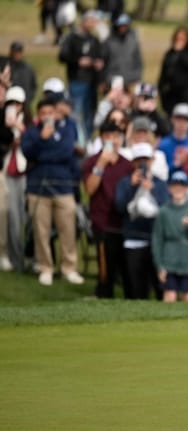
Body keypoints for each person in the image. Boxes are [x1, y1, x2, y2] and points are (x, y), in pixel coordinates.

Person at [22, 97, 84, 286]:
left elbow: (65, 151)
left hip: (63, 187)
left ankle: (69, 268)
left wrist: (42, 155)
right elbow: (27, 152)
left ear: (56, 114)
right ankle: (45, 267)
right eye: (44, 113)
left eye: (51, 113)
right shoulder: (32, 133)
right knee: (41, 231)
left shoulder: (66, 130)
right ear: (38, 115)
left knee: (68, 230)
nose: (48, 117)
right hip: (38, 188)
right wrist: (43, 139)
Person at [81, 121, 133, 298]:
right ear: (102, 138)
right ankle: (103, 294)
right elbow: (90, 189)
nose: (113, 140)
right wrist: (101, 164)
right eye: (108, 136)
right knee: (105, 268)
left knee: (125, 266)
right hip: (102, 222)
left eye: (116, 136)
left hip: (123, 222)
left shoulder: (127, 165)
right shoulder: (91, 162)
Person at [115, 142, 169, 299]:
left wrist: (152, 189)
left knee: (160, 287)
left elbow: (166, 209)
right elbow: (120, 207)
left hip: (156, 241)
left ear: (152, 160)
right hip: (133, 240)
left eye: (146, 160)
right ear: (133, 162)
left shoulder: (159, 183)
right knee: (136, 288)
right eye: (139, 160)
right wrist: (132, 186)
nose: (143, 164)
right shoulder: (125, 182)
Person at [152, 170, 188, 303]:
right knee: (169, 296)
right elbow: (157, 240)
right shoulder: (164, 211)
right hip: (169, 261)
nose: (178, 189)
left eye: (182, 186)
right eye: (175, 186)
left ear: (187, 189)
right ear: (169, 188)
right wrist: (160, 265)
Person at [58, 10, 104, 140]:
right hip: (77, 80)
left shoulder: (94, 39)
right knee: (76, 112)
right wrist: (78, 61)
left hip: (92, 82)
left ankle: (87, 139)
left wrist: (98, 63)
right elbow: (62, 56)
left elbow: (100, 56)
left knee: (90, 113)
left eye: (93, 21)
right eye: (89, 21)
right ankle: (76, 139)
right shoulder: (72, 37)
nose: (91, 24)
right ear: (83, 21)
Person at [0, 86, 28, 271]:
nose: (14, 107)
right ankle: (13, 258)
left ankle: (24, 257)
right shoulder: (2, 124)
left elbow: (33, 141)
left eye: (17, 103)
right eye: (11, 103)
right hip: (7, 173)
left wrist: (19, 128)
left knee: (23, 218)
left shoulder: (29, 122)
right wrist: (9, 130)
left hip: (24, 173)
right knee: (11, 217)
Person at [158, 26, 188, 115]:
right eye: (178, 39)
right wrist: (161, 89)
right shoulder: (169, 54)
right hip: (171, 94)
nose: (179, 42)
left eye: (182, 39)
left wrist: (180, 52)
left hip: (186, 94)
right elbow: (164, 72)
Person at [157, 103, 188, 174]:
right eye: (179, 119)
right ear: (172, 119)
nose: (182, 123)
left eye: (186, 120)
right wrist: (176, 164)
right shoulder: (163, 144)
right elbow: (159, 172)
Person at [102, 14, 143, 87]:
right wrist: (104, 79)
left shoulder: (133, 42)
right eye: (120, 26)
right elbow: (103, 62)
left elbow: (138, 62)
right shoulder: (109, 42)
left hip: (130, 80)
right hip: (111, 79)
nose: (122, 28)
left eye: (125, 26)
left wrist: (136, 77)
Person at [0, 42, 37, 107]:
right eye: (14, 52)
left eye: (18, 52)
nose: (16, 55)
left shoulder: (28, 69)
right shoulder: (4, 65)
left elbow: (33, 86)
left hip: (24, 103)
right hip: (7, 103)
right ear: (11, 52)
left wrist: (28, 100)